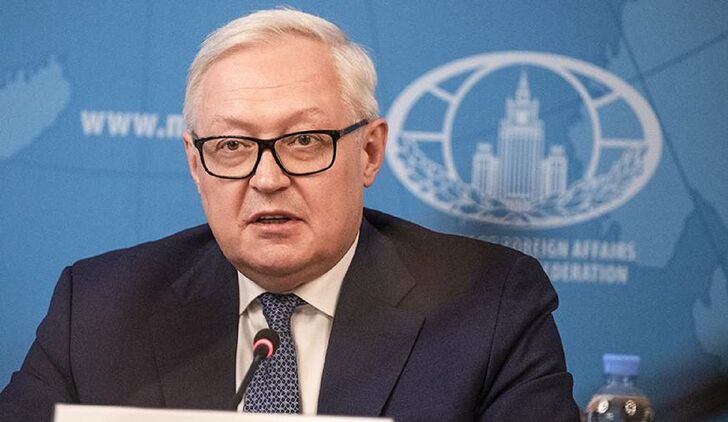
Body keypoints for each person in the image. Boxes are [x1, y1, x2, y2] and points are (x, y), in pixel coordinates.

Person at [0, 8, 579, 421]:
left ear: (369, 152)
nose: (267, 179)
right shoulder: (99, 308)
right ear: (196, 163)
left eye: (304, 141)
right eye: (232, 146)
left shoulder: (489, 306)